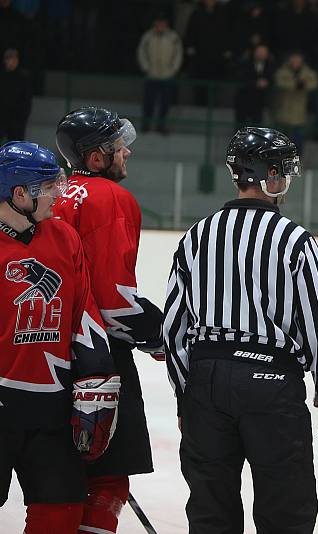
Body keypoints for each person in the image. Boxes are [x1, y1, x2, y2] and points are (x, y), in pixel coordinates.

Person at [162, 127, 318, 533]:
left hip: (207, 380)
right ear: (270, 175)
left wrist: (184, 395)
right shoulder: (294, 239)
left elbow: (174, 326)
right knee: (286, 508)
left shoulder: (197, 236)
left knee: (211, 509)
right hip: (271, 381)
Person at [52, 107, 165, 534]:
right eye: (119, 147)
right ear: (96, 158)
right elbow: (114, 301)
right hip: (99, 359)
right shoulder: (110, 198)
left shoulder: (54, 192)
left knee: (59, 480)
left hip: (46, 350)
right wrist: (157, 339)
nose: (127, 153)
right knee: (108, 479)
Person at [0, 141, 119, 533]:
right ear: (19, 194)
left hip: (52, 406)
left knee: (62, 511)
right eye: (49, 186)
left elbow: (84, 313)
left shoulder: (64, 237)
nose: (59, 194)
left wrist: (95, 373)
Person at [136, 13, 183, 134]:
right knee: (149, 101)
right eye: (158, 23)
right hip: (151, 74)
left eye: (163, 23)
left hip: (167, 75)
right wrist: (145, 66)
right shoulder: (148, 36)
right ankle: (146, 124)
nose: (160, 26)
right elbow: (142, 51)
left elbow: (178, 53)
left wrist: (174, 68)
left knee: (165, 102)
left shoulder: (173, 37)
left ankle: (161, 125)